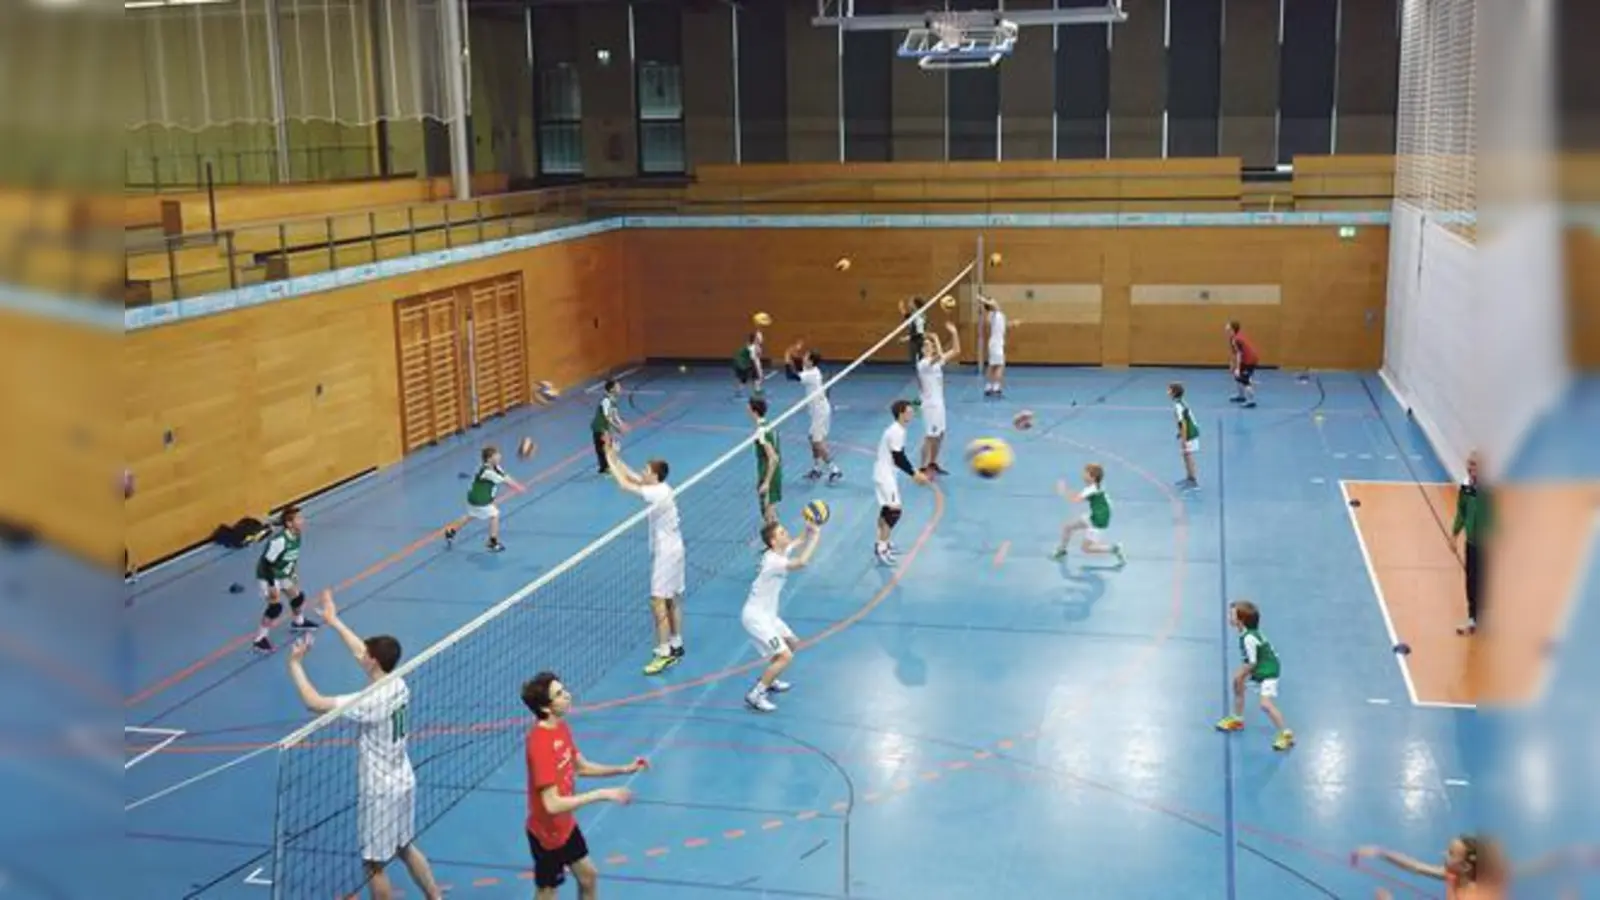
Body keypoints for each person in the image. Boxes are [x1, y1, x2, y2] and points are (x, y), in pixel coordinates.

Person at [285, 591, 442, 900]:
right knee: (406, 847)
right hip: (404, 779)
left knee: (373, 864)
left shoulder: (369, 701)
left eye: (367, 653)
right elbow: (361, 653)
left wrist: (295, 665)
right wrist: (334, 621)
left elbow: (313, 702)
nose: (362, 654)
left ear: (374, 660)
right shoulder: (398, 682)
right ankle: (436, 898)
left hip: (381, 789)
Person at [522, 672, 647, 899]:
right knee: (547, 892)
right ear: (546, 708)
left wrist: (623, 769)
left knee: (588, 877)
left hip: (565, 826)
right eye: (559, 694)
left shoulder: (560, 727)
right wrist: (602, 794)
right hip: (547, 835)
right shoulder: (539, 744)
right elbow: (551, 804)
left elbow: (582, 767)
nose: (567, 695)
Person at [602, 443, 687, 675]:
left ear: (655, 475)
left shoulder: (657, 492)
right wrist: (616, 458)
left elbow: (623, 483)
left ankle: (663, 652)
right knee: (672, 599)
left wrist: (608, 457)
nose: (643, 472)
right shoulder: (661, 487)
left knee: (657, 601)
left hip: (667, 553)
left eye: (646, 470)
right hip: (676, 548)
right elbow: (632, 477)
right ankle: (676, 643)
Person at [741, 518, 823, 712]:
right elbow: (802, 562)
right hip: (756, 617)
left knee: (792, 644)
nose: (786, 534)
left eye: (785, 531)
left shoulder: (778, 551)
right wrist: (816, 536)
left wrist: (808, 529)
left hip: (768, 615)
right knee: (785, 656)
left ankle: (770, 678)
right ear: (773, 542)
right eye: (782, 533)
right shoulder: (774, 561)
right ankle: (756, 694)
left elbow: (797, 541)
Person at [1215, 600, 1293, 751]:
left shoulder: (1249, 638)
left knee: (1265, 704)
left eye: (1232, 615)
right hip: (1261, 666)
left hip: (1268, 671)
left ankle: (1286, 734)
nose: (1229, 617)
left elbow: (1252, 663)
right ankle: (1237, 719)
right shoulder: (1247, 633)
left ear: (1240, 620)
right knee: (1238, 686)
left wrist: (1240, 674)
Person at [1353, 835, 1508, 899]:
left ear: (1466, 866)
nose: (1443, 854)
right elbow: (1416, 867)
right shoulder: (1455, 875)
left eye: (1451, 853)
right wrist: (1381, 852)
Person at [873, 399, 930, 566]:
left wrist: (913, 472)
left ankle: (882, 541)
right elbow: (899, 458)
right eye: (909, 411)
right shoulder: (896, 432)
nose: (912, 413)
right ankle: (882, 547)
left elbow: (899, 456)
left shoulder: (898, 430)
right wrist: (914, 474)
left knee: (886, 509)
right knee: (894, 511)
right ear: (901, 413)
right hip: (885, 475)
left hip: (886, 473)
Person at [253, 505, 317, 652]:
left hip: (283, 573)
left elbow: (290, 558)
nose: (303, 521)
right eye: (299, 519)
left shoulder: (297, 535)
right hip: (268, 575)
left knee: (298, 597)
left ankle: (298, 622)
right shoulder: (280, 541)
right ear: (289, 523)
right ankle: (259, 639)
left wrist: (292, 572)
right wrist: (271, 585)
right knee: (275, 607)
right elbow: (267, 563)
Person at [444, 445, 525, 552]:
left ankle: (451, 531)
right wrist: (518, 488)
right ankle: (492, 542)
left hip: (474, 497)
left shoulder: (496, 467)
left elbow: (505, 476)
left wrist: (517, 485)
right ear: (489, 458)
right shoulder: (487, 472)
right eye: (497, 455)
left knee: (471, 515)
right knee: (494, 515)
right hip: (479, 500)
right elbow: (504, 481)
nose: (500, 456)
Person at [1051, 463, 1125, 565]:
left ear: (1092, 477)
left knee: (1086, 549)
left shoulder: (1091, 489)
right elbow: (1080, 496)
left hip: (1098, 521)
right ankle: (1062, 550)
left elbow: (1075, 500)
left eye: (1085, 473)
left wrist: (1063, 491)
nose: (1082, 475)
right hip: (1094, 515)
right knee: (1068, 527)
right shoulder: (1095, 486)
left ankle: (1114, 548)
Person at [1452, 451, 1491, 635]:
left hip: (1484, 543)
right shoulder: (1466, 486)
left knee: (1482, 581)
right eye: (1469, 463)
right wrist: (1454, 534)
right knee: (1470, 581)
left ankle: (1482, 618)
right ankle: (1473, 619)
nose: (1470, 467)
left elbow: (1494, 515)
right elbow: (1461, 511)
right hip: (1470, 542)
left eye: (1474, 464)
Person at [915, 322, 960, 475]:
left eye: (930, 345)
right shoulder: (923, 364)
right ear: (922, 350)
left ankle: (933, 463)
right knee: (930, 436)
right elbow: (940, 355)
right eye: (925, 346)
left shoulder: (936, 364)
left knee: (940, 435)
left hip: (939, 404)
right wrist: (936, 338)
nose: (928, 347)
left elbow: (956, 350)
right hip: (929, 406)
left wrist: (954, 333)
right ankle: (921, 468)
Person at [798, 350, 842, 484]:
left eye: (805, 357)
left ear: (811, 361)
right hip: (817, 411)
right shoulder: (810, 369)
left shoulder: (811, 374)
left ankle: (835, 469)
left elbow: (792, 376)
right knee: (812, 438)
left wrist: (787, 357)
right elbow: (799, 368)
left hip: (820, 412)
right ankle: (817, 468)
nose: (803, 358)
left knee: (818, 442)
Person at [748, 397, 782, 525]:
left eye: (749, 407)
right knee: (771, 511)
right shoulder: (770, 425)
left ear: (754, 411)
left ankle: (776, 543)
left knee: (767, 513)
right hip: (774, 472)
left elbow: (773, 458)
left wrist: (767, 481)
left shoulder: (761, 431)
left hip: (768, 472)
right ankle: (776, 542)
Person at [980, 296, 1021, 397]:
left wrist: (1013, 324)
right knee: (999, 365)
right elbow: (993, 306)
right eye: (993, 300)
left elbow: (1004, 325)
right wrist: (982, 299)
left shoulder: (998, 315)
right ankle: (995, 387)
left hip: (996, 343)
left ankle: (989, 386)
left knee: (993, 365)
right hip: (996, 343)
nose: (995, 301)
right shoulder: (992, 314)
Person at [1169, 382, 1200, 490]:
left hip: (1190, 433)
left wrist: (1184, 438)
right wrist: (1180, 433)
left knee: (1188, 455)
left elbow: (1184, 423)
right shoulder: (1182, 402)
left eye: (1169, 390)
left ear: (1174, 392)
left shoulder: (1178, 406)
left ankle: (1193, 480)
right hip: (1190, 431)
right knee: (1185, 455)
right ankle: (1189, 477)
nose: (1167, 392)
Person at [591, 379, 625, 475]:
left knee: (606, 447)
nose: (620, 388)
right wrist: (617, 427)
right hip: (599, 427)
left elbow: (615, 415)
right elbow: (607, 417)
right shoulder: (606, 401)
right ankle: (605, 468)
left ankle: (606, 467)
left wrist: (621, 424)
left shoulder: (613, 400)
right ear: (612, 389)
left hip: (605, 428)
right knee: (605, 448)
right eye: (617, 386)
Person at [1225, 320, 1260, 408]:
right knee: (1237, 377)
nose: (1226, 328)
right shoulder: (1233, 338)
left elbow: (1239, 354)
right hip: (1245, 359)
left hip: (1250, 360)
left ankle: (1251, 401)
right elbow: (1235, 353)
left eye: (1228, 327)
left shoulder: (1237, 339)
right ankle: (1241, 396)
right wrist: (1232, 364)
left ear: (1232, 329)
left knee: (1245, 380)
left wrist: (1238, 368)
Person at [732, 331, 765, 397]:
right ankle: (757, 391)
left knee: (747, 378)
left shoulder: (754, 346)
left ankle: (740, 391)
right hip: (743, 363)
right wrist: (759, 371)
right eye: (760, 337)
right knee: (756, 377)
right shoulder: (754, 347)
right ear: (756, 339)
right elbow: (755, 360)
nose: (762, 338)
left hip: (743, 362)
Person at [897, 297, 928, 365]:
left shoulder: (919, 316)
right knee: (917, 363)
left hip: (919, 342)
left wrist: (906, 338)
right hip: (915, 341)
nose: (909, 303)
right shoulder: (915, 314)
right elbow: (907, 317)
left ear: (915, 305)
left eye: (911, 302)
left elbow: (920, 333)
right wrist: (901, 308)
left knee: (921, 362)